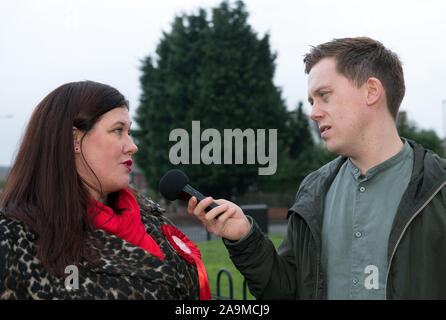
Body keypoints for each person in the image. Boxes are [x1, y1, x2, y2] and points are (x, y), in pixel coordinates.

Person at [188, 37, 446, 299]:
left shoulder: (439, 188)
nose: (314, 113)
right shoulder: (314, 189)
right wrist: (244, 237)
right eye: (312, 101)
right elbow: (286, 291)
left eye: (324, 96)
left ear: (371, 91)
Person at [0, 80, 210, 300]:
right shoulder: (13, 240)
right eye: (118, 130)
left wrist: (243, 241)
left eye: (128, 131)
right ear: (75, 138)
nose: (132, 146)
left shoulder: (150, 217)